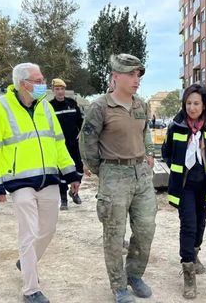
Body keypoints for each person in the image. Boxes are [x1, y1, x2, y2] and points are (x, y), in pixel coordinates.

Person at [0, 63, 80, 303]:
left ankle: (25, 262)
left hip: (48, 179)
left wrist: (72, 174)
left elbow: (58, 143)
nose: (42, 83)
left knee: (48, 229)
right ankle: (31, 289)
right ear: (23, 83)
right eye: (38, 80)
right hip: (19, 182)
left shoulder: (45, 107)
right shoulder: (0, 108)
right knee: (28, 233)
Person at [80, 53, 157, 303]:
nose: (137, 80)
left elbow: (145, 131)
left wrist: (149, 153)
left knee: (146, 228)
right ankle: (118, 286)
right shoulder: (100, 106)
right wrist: (103, 171)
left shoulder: (140, 105)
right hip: (114, 174)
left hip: (141, 175)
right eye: (131, 74)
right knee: (114, 234)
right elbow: (87, 143)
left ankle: (134, 274)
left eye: (138, 75)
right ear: (116, 76)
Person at [162, 84, 206, 299]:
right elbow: (166, 153)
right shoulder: (176, 125)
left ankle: (195, 254)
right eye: (188, 103)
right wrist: (179, 170)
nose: (192, 107)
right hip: (184, 185)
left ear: (204, 104)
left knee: (200, 223)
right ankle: (188, 270)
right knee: (188, 225)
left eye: (196, 103)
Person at [49, 78, 84, 210]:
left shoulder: (72, 103)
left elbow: (80, 121)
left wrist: (81, 132)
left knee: (79, 170)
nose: (60, 92)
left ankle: (74, 192)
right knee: (61, 173)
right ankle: (64, 200)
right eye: (57, 89)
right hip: (59, 145)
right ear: (53, 91)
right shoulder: (50, 106)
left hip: (74, 144)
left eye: (62, 89)